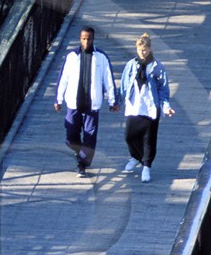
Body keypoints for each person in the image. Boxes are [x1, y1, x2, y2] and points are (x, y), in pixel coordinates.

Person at [53, 23, 118, 176]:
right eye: (83, 39)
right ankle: (78, 152)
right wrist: (58, 99)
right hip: (73, 103)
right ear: (80, 39)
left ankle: (82, 164)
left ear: (93, 39)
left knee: (89, 136)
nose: (86, 42)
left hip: (92, 104)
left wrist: (112, 101)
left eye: (89, 39)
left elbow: (108, 80)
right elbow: (63, 78)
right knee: (70, 135)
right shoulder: (71, 57)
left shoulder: (100, 57)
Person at [119, 33, 175, 183]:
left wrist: (166, 107)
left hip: (150, 107)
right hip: (134, 105)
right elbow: (124, 83)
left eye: (145, 49)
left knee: (148, 139)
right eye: (139, 49)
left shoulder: (157, 67)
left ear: (150, 49)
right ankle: (136, 156)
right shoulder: (131, 64)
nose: (142, 52)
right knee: (129, 135)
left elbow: (163, 89)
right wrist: (117, 100)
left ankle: (146, 166)